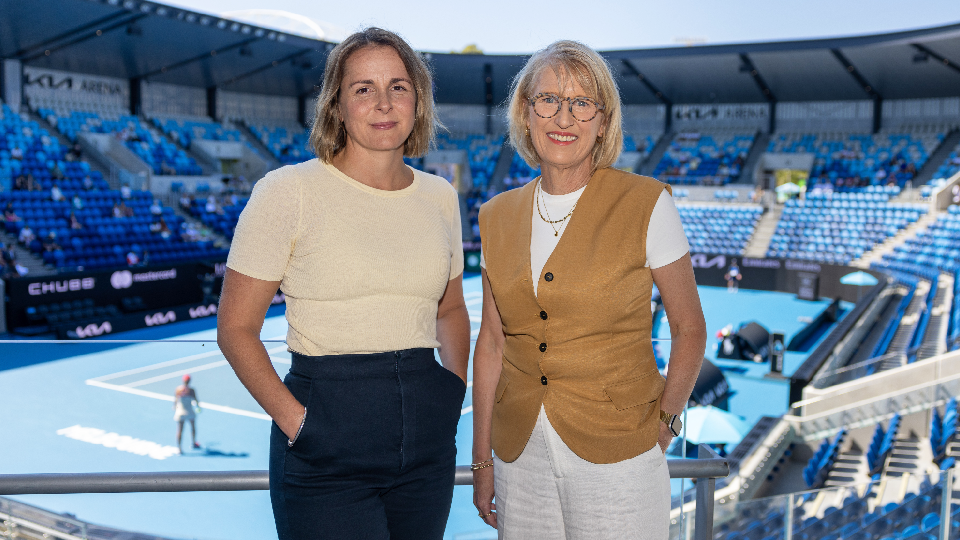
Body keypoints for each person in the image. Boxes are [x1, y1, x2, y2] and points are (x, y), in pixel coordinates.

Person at [217, 27, 469, 540]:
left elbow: (450, 310)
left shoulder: (441, 196)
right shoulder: (288, 192)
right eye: (363, 88)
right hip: (325, 437)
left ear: (418, 102)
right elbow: (235, 329)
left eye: (398, 86)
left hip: (427, 438)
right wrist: (300, 425)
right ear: (336, 105)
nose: (382, 102)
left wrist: (451, 388)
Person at [472, 41, 706, 539]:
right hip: (518, 455)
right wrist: (481, 460)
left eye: (582, 103)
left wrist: (665, 422)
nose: (564, 116)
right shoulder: (495, 215)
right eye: (549, 99)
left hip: (620, 451)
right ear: (526, 113)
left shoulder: (647, 203)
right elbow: (492, 343)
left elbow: (689, 327)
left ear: (603, 121)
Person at [174, 374, 200, 453]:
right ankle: (193, 443)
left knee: (180, 430)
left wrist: (175, 407)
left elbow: (175, 401)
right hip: (189, 412)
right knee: (193, 428)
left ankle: (179, 449)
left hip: (180, 412)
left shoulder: (178, 389)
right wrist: (198, 407)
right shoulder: (192, 390)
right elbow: (196, 401)